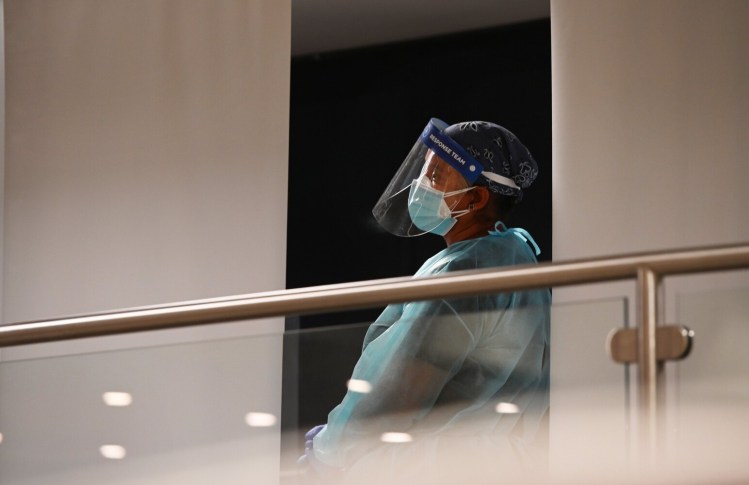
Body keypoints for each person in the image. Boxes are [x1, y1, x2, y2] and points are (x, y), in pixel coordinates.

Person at [302, 118, 550, 483]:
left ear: (476, 198)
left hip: (435, 466)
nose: (421, 185)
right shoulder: (511, 256)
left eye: (436, 177)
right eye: (424, 171)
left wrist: (332, 448)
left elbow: (400, 390)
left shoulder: (464, 271)